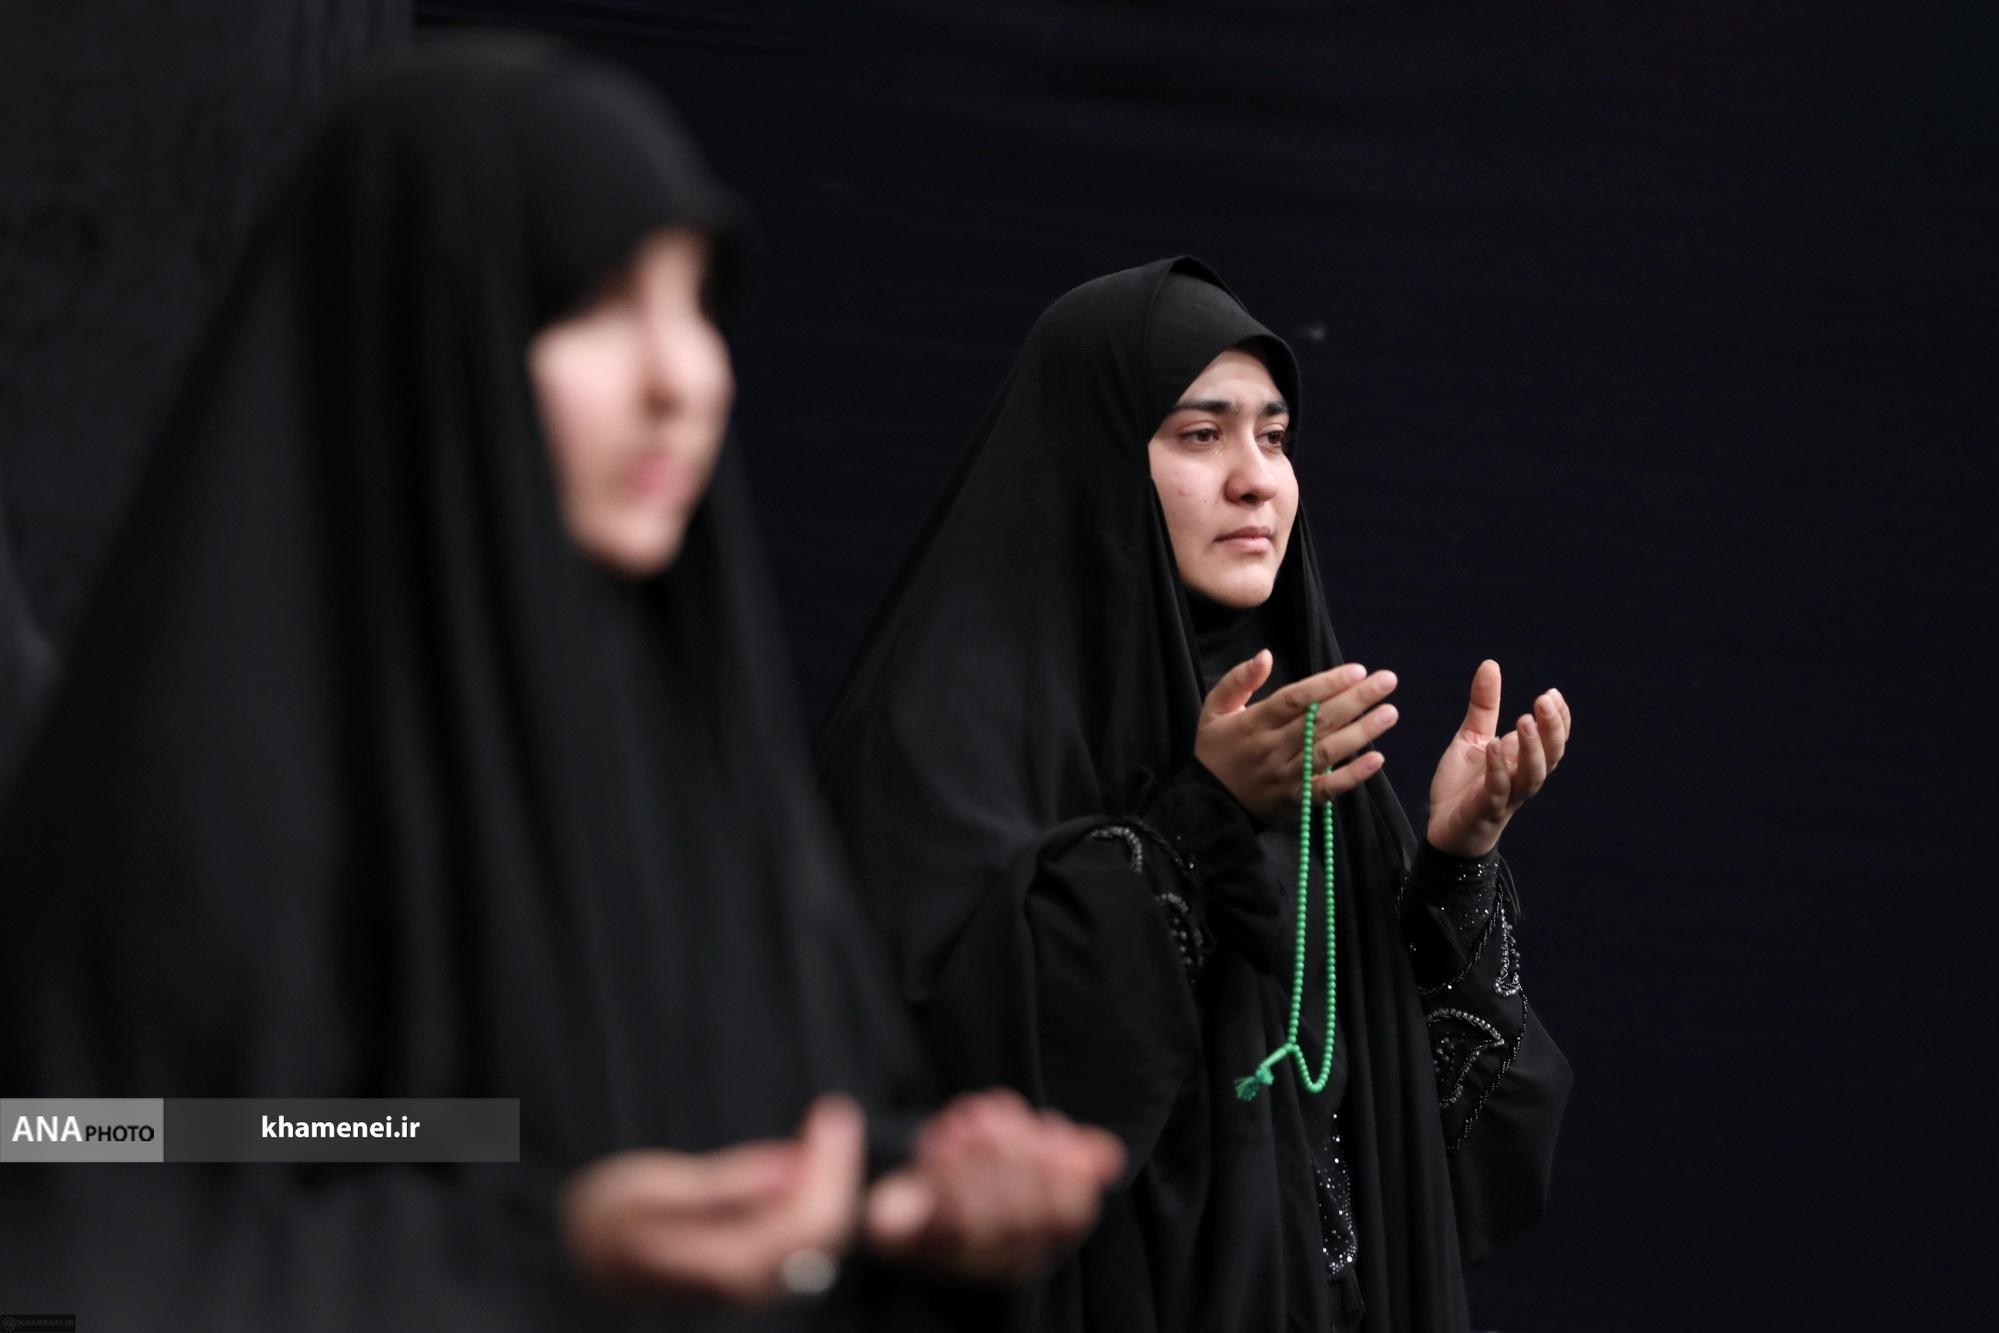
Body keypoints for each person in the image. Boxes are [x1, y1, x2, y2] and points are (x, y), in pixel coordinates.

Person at [0, 38, 1119, 1330]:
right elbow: (81, 1146)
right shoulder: (202, 777)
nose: (682, 377)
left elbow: (728, 1136)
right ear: (414, 343)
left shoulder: (695, 778)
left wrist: (894, 1201)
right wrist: (535, 1255)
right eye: (592, 304)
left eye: (698, 303)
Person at [816, 258, 1574, 1333]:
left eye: (1275, 437)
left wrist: (1452, 867)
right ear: (1096, 460)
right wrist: (1193, 826)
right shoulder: (937, 744)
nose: (1256, 478)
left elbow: (1422, 1162)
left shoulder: (1308, 750)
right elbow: (947, 1098)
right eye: (1200, 433)